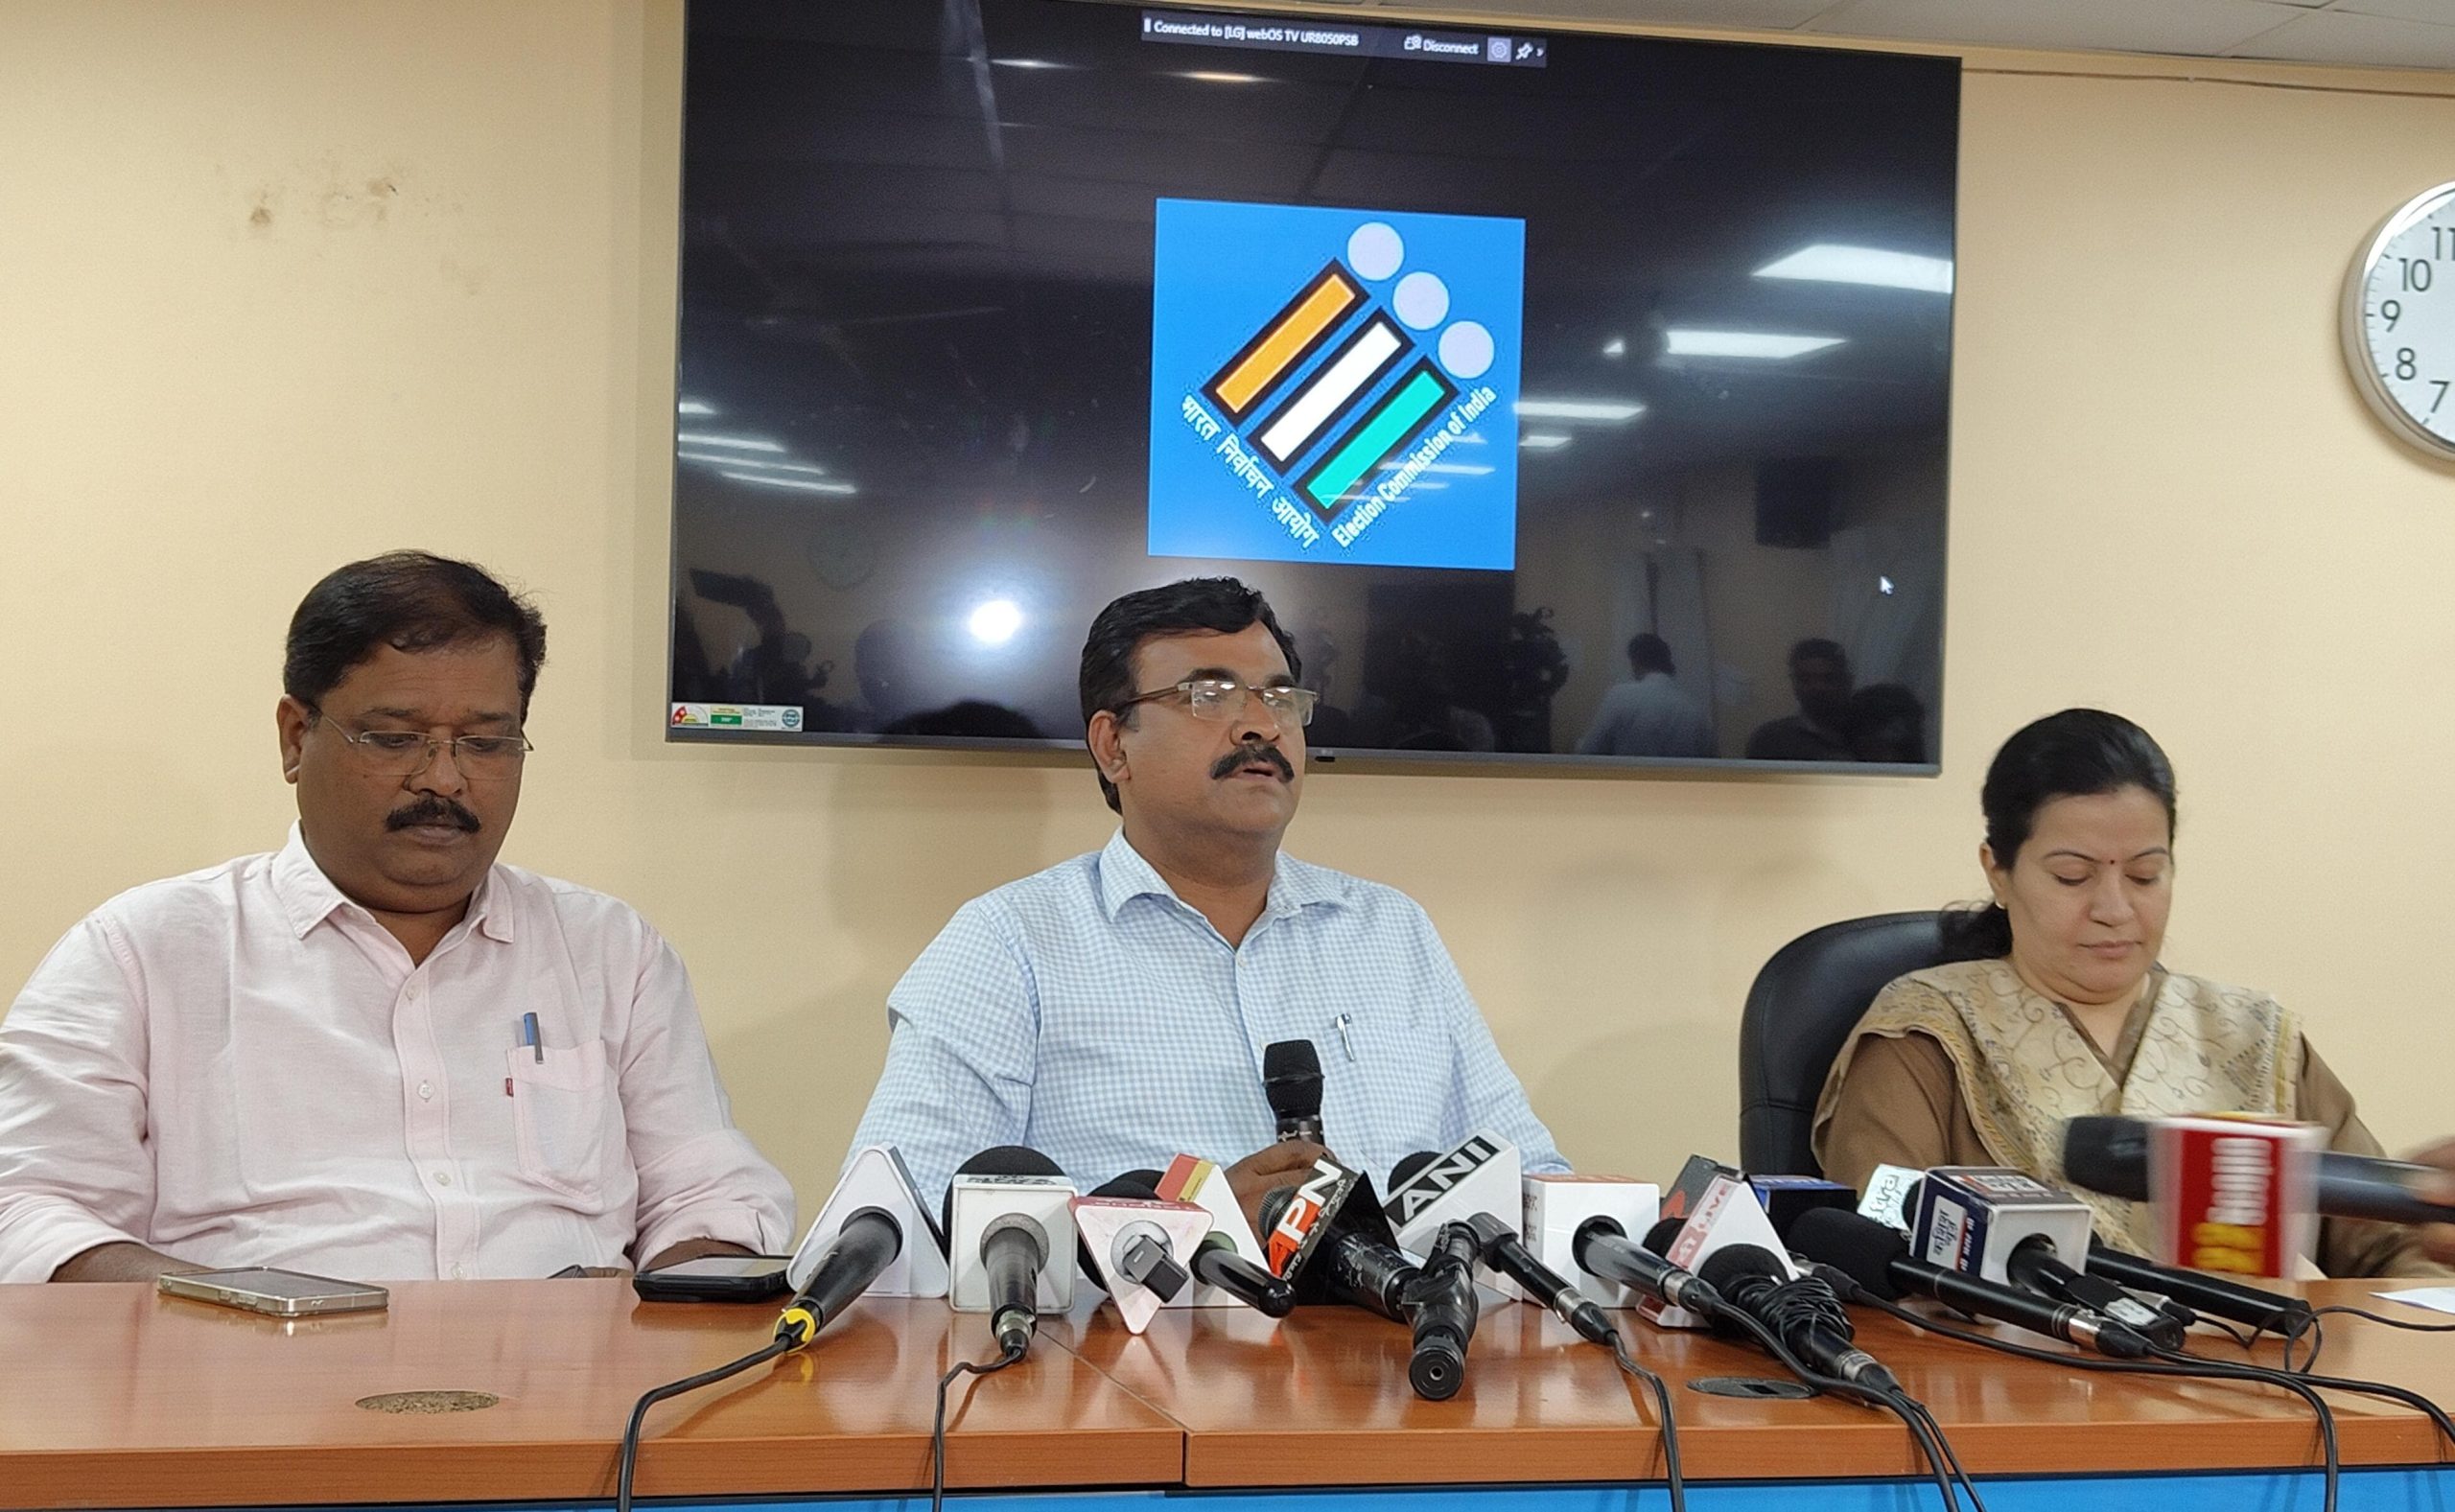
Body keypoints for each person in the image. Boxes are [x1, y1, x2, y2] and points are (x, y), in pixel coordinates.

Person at [0, 552, 793, 1283]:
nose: (443, 778)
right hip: (250, 1375)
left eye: (485, 742)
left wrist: (664, 1303)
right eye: (395, 738)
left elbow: (712, 1194)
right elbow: (28, 1205)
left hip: (570, 1377)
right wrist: (223, 1310)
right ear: (296, 737)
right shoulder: (142, 952)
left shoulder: (611, 952)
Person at [847, 577, 1566, 1227]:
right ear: (1112, 745)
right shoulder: (1011, 943)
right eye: (1211, 696)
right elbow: (900, 1226)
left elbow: (1528, 1180)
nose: (1262, 725)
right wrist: (1190, 1223)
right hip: (1145, 1334)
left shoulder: (1389, 930)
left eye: (1280, 698)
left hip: (1409, 1330)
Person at [1813, 708, 2438, 1276]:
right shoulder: (1926, 1034)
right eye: (2072, 876)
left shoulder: (2253, 1035)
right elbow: (1881, 1260)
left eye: (2145, 874)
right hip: (2025, 1362)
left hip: (2281, 1362)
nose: (2114, 909)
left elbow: (2396, 1250)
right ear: (1997, 871)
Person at [1575, 634, 1715, 759]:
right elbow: (1712, 763)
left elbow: (1590, 751)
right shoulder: (1694, 710)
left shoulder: (1620, 697)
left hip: (1629, 780)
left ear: (1635, 662)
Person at [1746, 639, 1853, 762]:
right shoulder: (1770, 739)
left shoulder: (1864, 732)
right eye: (1804, 679)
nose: (1817, 687)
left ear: (1846, 681)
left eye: (1828, 678)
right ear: (1794, 682)